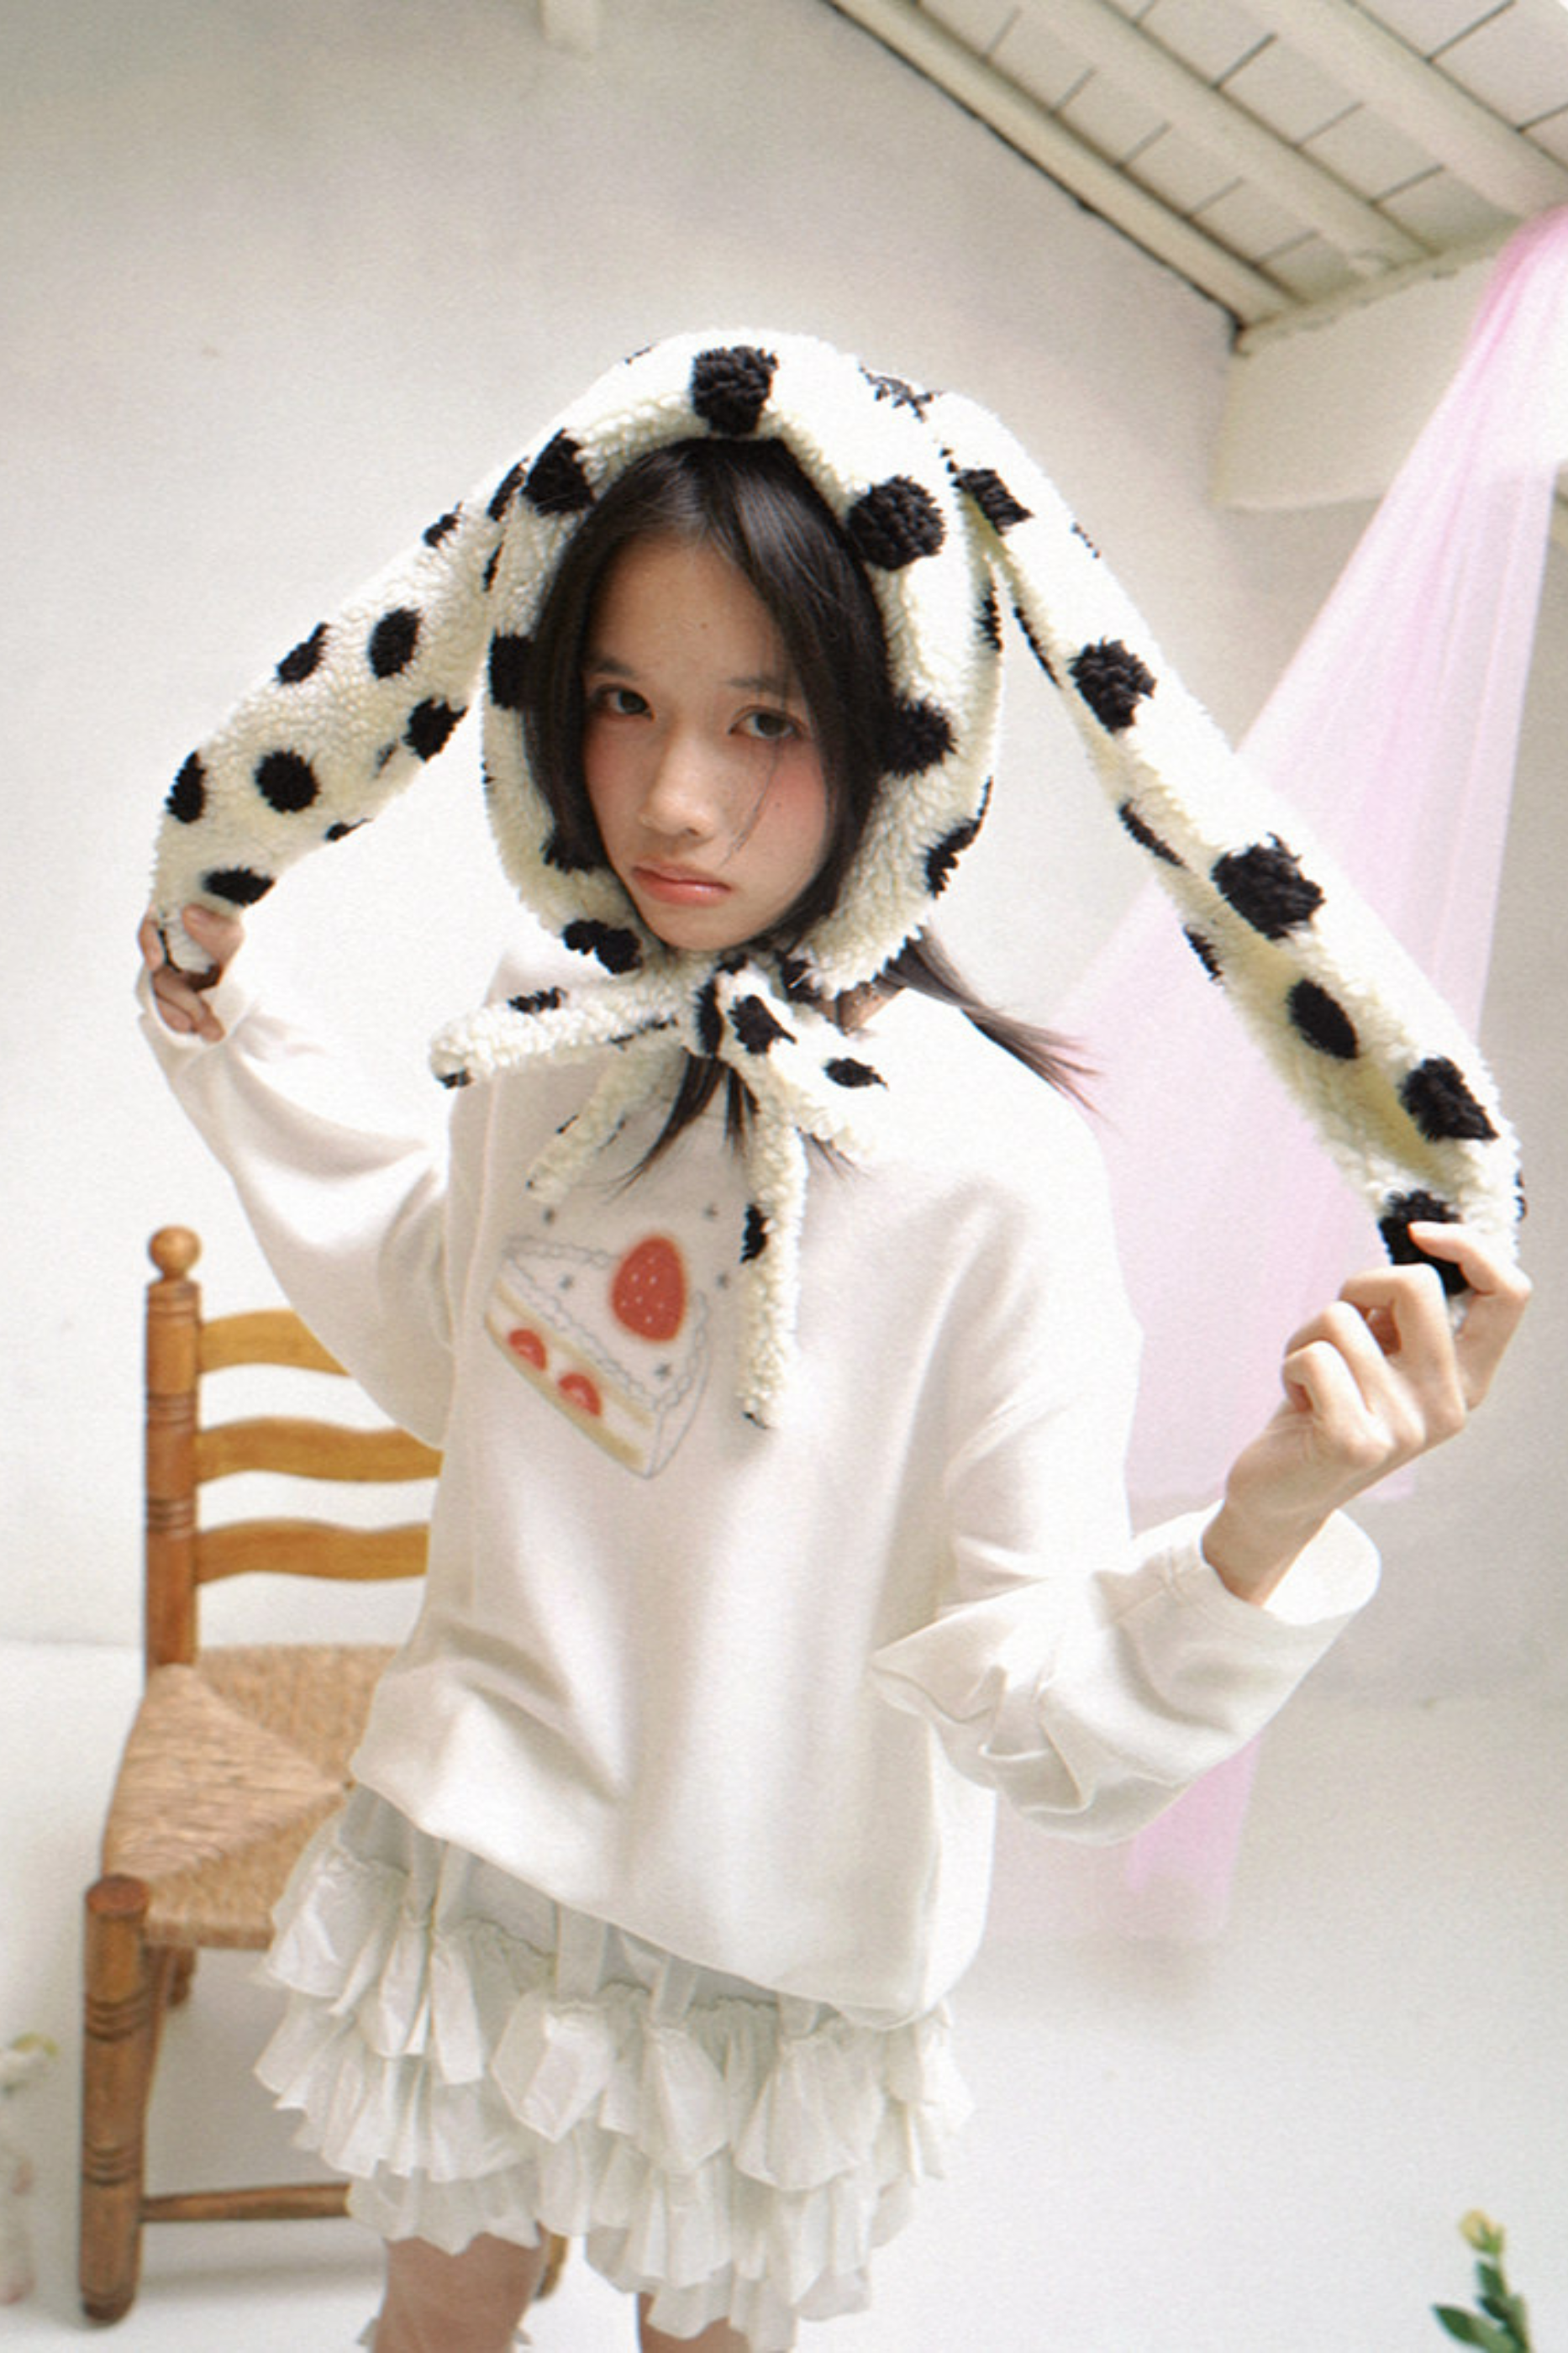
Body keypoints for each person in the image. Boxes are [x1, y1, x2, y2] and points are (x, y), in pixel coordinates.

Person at [139, 334, 1529, 2353]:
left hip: (773, 1950)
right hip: (470, 1862)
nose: (672, 799)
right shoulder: (553, 1024)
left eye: (766, 719)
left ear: (907, 737)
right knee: (430, 2324)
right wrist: (230, 1011)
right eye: (619, 699)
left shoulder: (995, 1174)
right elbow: (453, 1327)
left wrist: (1270, 1520)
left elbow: (1036, 1704)